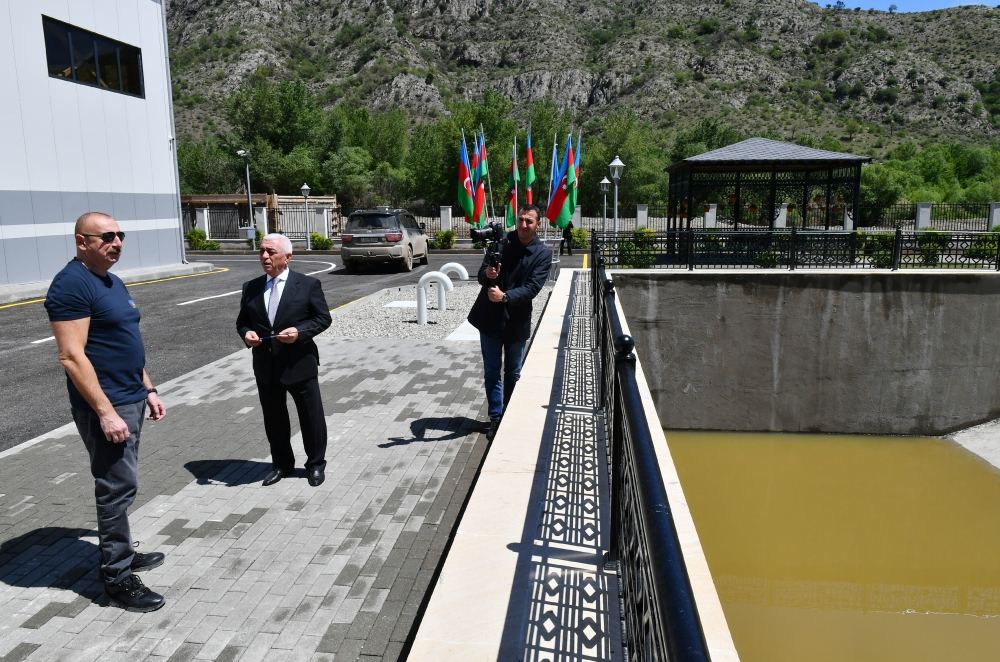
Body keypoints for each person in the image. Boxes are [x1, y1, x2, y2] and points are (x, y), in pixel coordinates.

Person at [44, 212, 167, 613]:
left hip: (131, 396)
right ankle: (117, 578)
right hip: (108, 403)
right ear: (82, 241)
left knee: (123, 483)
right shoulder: (71, 285)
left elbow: (127, 339)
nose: (117, 242)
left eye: (120, 235)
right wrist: (106, 412)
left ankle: (122, 553)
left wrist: (148, 388)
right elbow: (71, 356)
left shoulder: (111, 280)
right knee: (115, 487)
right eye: (107, 237)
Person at [237, 233, 332, 487]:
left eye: (270, 252)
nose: (264, 256)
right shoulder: (251, 287)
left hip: (299, 363)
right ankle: (282, 464)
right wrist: (247, 334)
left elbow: (323, 318)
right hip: (266, 366)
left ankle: (315, 464)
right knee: (274, 419)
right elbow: (243, 322)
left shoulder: (308, 285)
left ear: (288, 257)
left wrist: (299, 332)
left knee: (311, 418)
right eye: (261, 251)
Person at [467, 204, 552, 440]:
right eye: (521, 219)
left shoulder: (542, 254)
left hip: (516, 321)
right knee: (492, 371)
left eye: (529, 221)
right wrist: (488, 275)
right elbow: (481, 275)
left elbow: (533, 288)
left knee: (513, 372)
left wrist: (505, 297)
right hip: (490, 319)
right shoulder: (500, 242)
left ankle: (510, 415)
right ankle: (496, 417)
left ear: (538, 225)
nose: (524, 225)